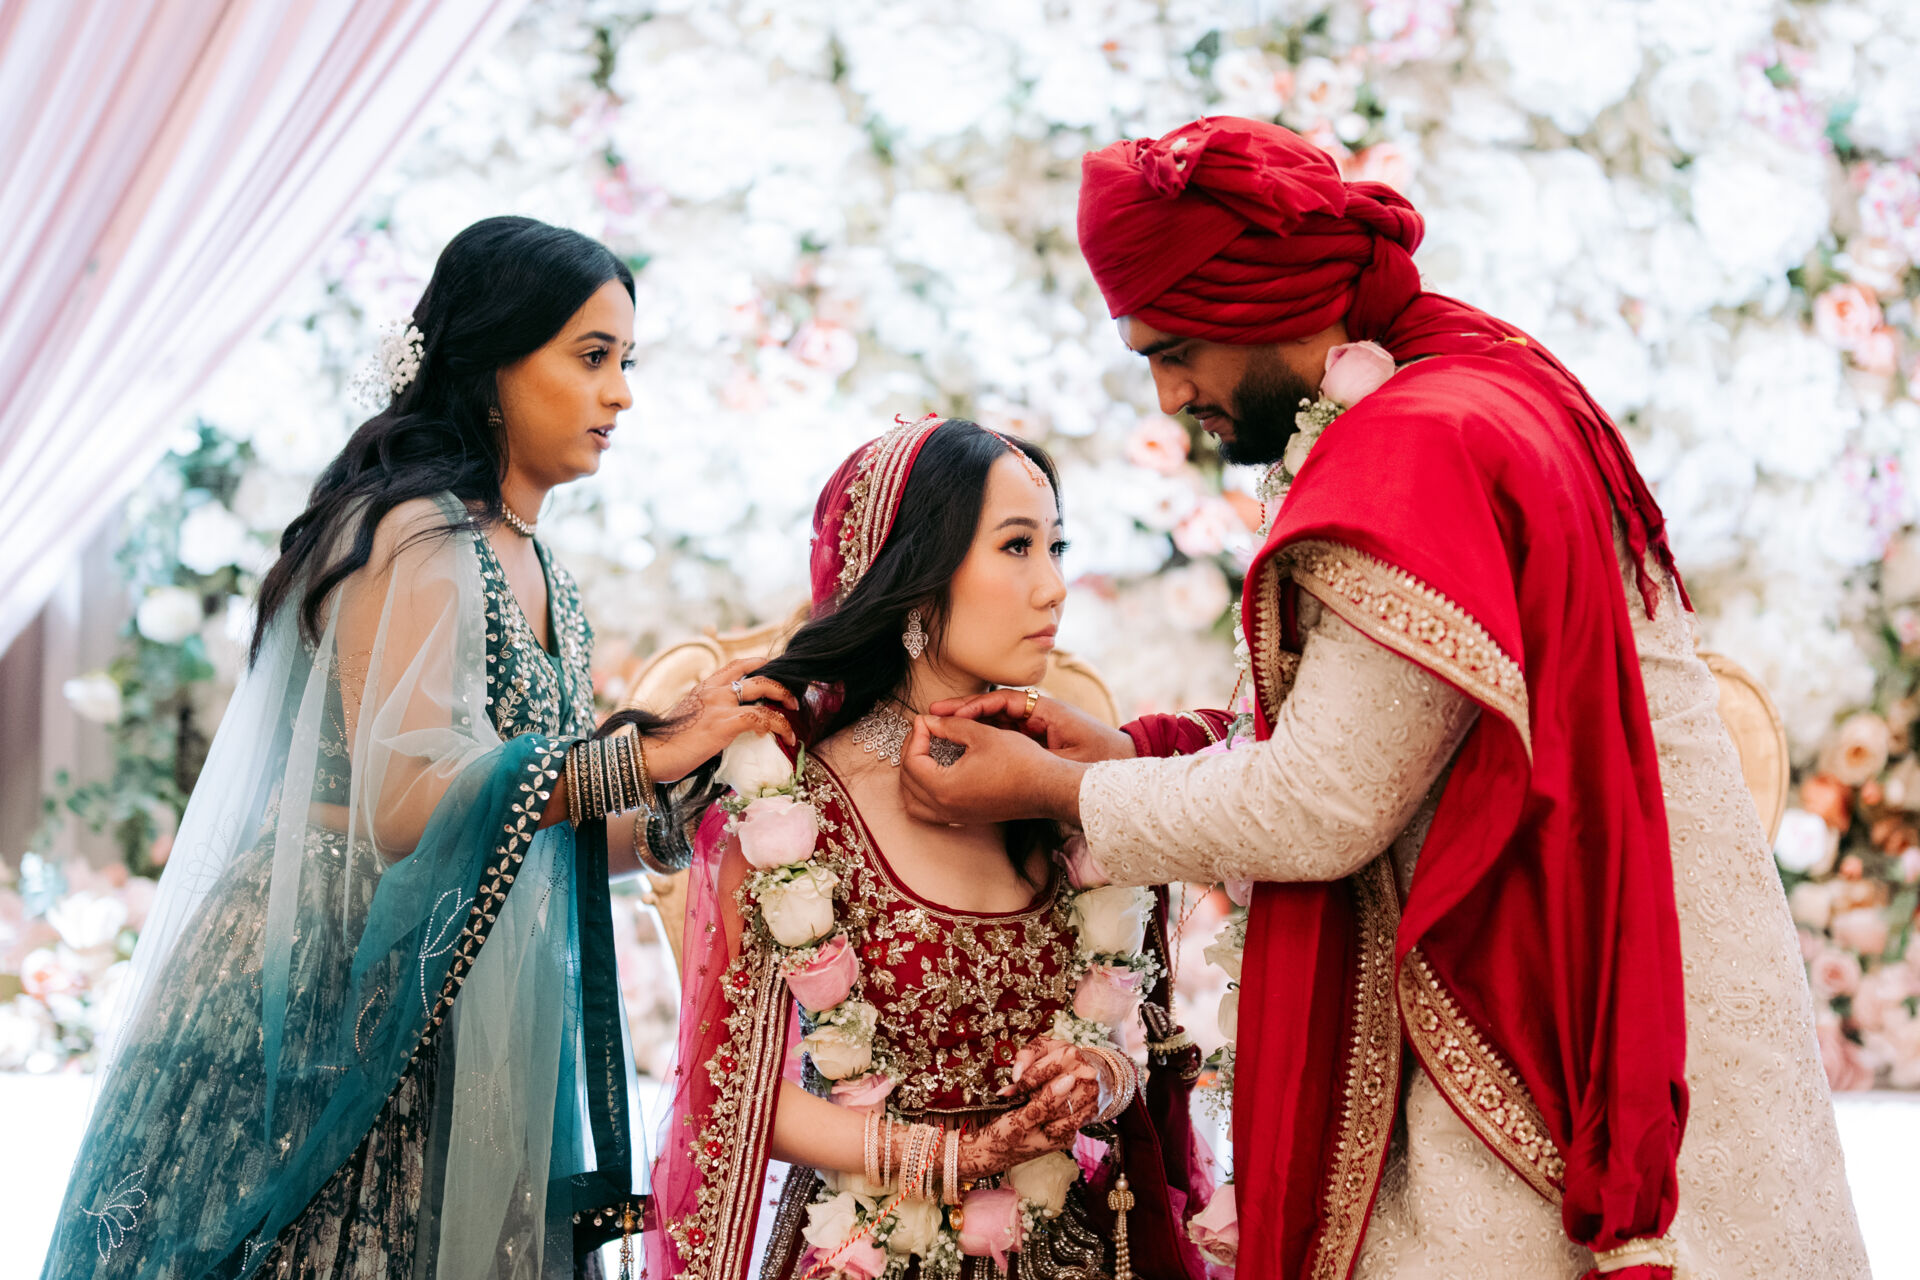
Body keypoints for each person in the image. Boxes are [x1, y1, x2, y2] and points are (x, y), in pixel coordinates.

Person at [895, 119, 1869, 1279]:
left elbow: (1323, 804)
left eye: (1178, 350)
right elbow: (1394, 725)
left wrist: (1063, 788)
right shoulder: (1470, 372)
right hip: (1637, 970)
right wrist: (1130, 752)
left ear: (1258, 304)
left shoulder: (1418, 450)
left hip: (1542, 1023)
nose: (1168, 395)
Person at [43, 216, 793, 1280]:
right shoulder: (417, 532)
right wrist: (645, 753)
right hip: (336, 976)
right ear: (493, 360)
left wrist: (696, 797)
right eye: (592, 356)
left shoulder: (540, 568)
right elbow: (406, 801)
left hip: (456, 981)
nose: (621, 394)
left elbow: (539, 827)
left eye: (627, 362)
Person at [646, 416, 1215, 1280]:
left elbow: (1140, 1031)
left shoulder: (1063, 779)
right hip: (876, 1240)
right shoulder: (793, 809)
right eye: (1017, 547)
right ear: (914, 583)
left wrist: (1101, 1075)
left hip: (1076, 1238)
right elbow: (734, 1095)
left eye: (1057, 547)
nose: (1055, 587)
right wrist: (954, 1158)